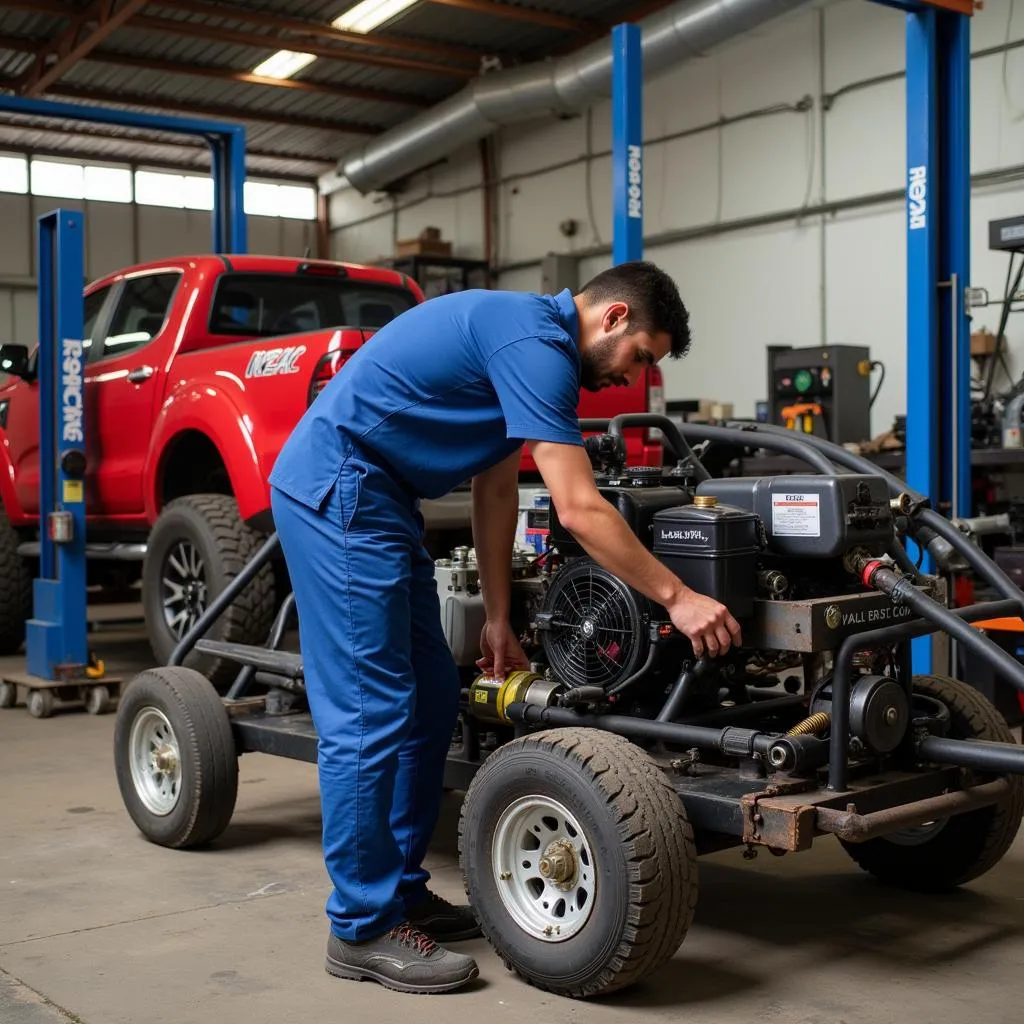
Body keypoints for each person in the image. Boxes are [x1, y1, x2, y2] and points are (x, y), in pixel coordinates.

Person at [267, 260, 742, 995]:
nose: (629, 378)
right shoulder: (535, 345)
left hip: (382, 498)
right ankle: (360, 927)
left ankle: (398, 890)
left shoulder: (527, 342)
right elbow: (579, 511)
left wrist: (496, 615)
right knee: (370, 712)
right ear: (612, 318)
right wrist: (677, 596)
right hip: (343, 487)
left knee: (429, 699)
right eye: (640, 356)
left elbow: (497, 487)